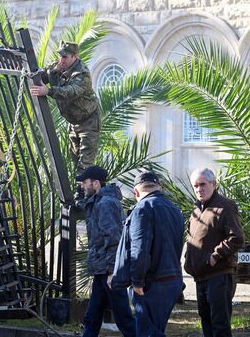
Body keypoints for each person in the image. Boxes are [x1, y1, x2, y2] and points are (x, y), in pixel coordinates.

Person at [111, 171, 184, 336]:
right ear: (159, 187)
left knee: (148, 333)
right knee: (155, 330)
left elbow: (140, 249)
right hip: (172, 281)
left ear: (136, 192)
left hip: (152, 283)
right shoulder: (174, 209)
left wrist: (137, 282)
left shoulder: (142, 208)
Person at [76, 165, 135, 337]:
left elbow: (113, 239)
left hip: (109, 271)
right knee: (92, 317)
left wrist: (112, 271)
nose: (82, 186)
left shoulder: (106, 203)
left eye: (84, 182)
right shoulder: (99, 201)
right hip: (101, 270)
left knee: (124, 319)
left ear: (96, 183)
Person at [184, 168, 244, 337]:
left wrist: (215, 256)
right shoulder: (197, 208)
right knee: (206, 322)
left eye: (203, 184)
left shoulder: (225, 206)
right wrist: (188, 258)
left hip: (219, 274)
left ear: (214, 184)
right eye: (195, 186)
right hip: (200, 276)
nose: (199, 189)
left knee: (219, 324)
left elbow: (237, 238)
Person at [29, 41, 100, 175]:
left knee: (85, 164)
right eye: (60, 56)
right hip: (73, 122)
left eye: (65, 57)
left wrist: (48, 91)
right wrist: (27, 72)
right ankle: (82, 189)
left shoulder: (82, 73)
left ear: (74, 57)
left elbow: (71, 91)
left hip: (88, 121)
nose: (61, 60)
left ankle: (83, 193)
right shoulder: (57, 67)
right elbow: (42, 76)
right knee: (75, 159)